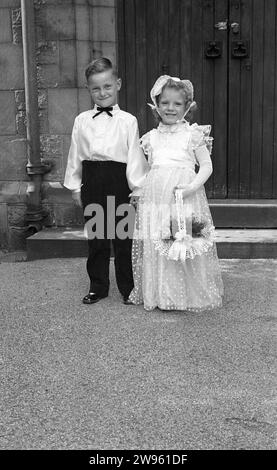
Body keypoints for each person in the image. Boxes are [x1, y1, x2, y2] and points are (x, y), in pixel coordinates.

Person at [129, 75, 223, 311]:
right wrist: (140, 191)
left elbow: (207, 166)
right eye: (165, 103)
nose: (170, 108)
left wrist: (191, 187)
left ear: (187, 107)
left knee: (184, 241)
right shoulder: (150, 138)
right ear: (156, 106)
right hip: (157, 197)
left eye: (177, 104)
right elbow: (149, 170)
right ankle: (161, 294)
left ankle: (187, 295)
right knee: (158, 242)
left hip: (184, 197)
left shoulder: (193, 135)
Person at [64, 58, 148, 305]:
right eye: (96, 88)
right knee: (98, 239)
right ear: (88, 89)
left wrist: (137, 189)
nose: (103, 93)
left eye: (108, 86)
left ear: (118, 84)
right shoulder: (82, 120)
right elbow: (75, 153)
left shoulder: (128, 120)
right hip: (92, 181)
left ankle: (128, 288)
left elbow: (134, 154)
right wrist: (75, 185)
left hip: (119, 181)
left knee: (123, 240)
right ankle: (98, 286)